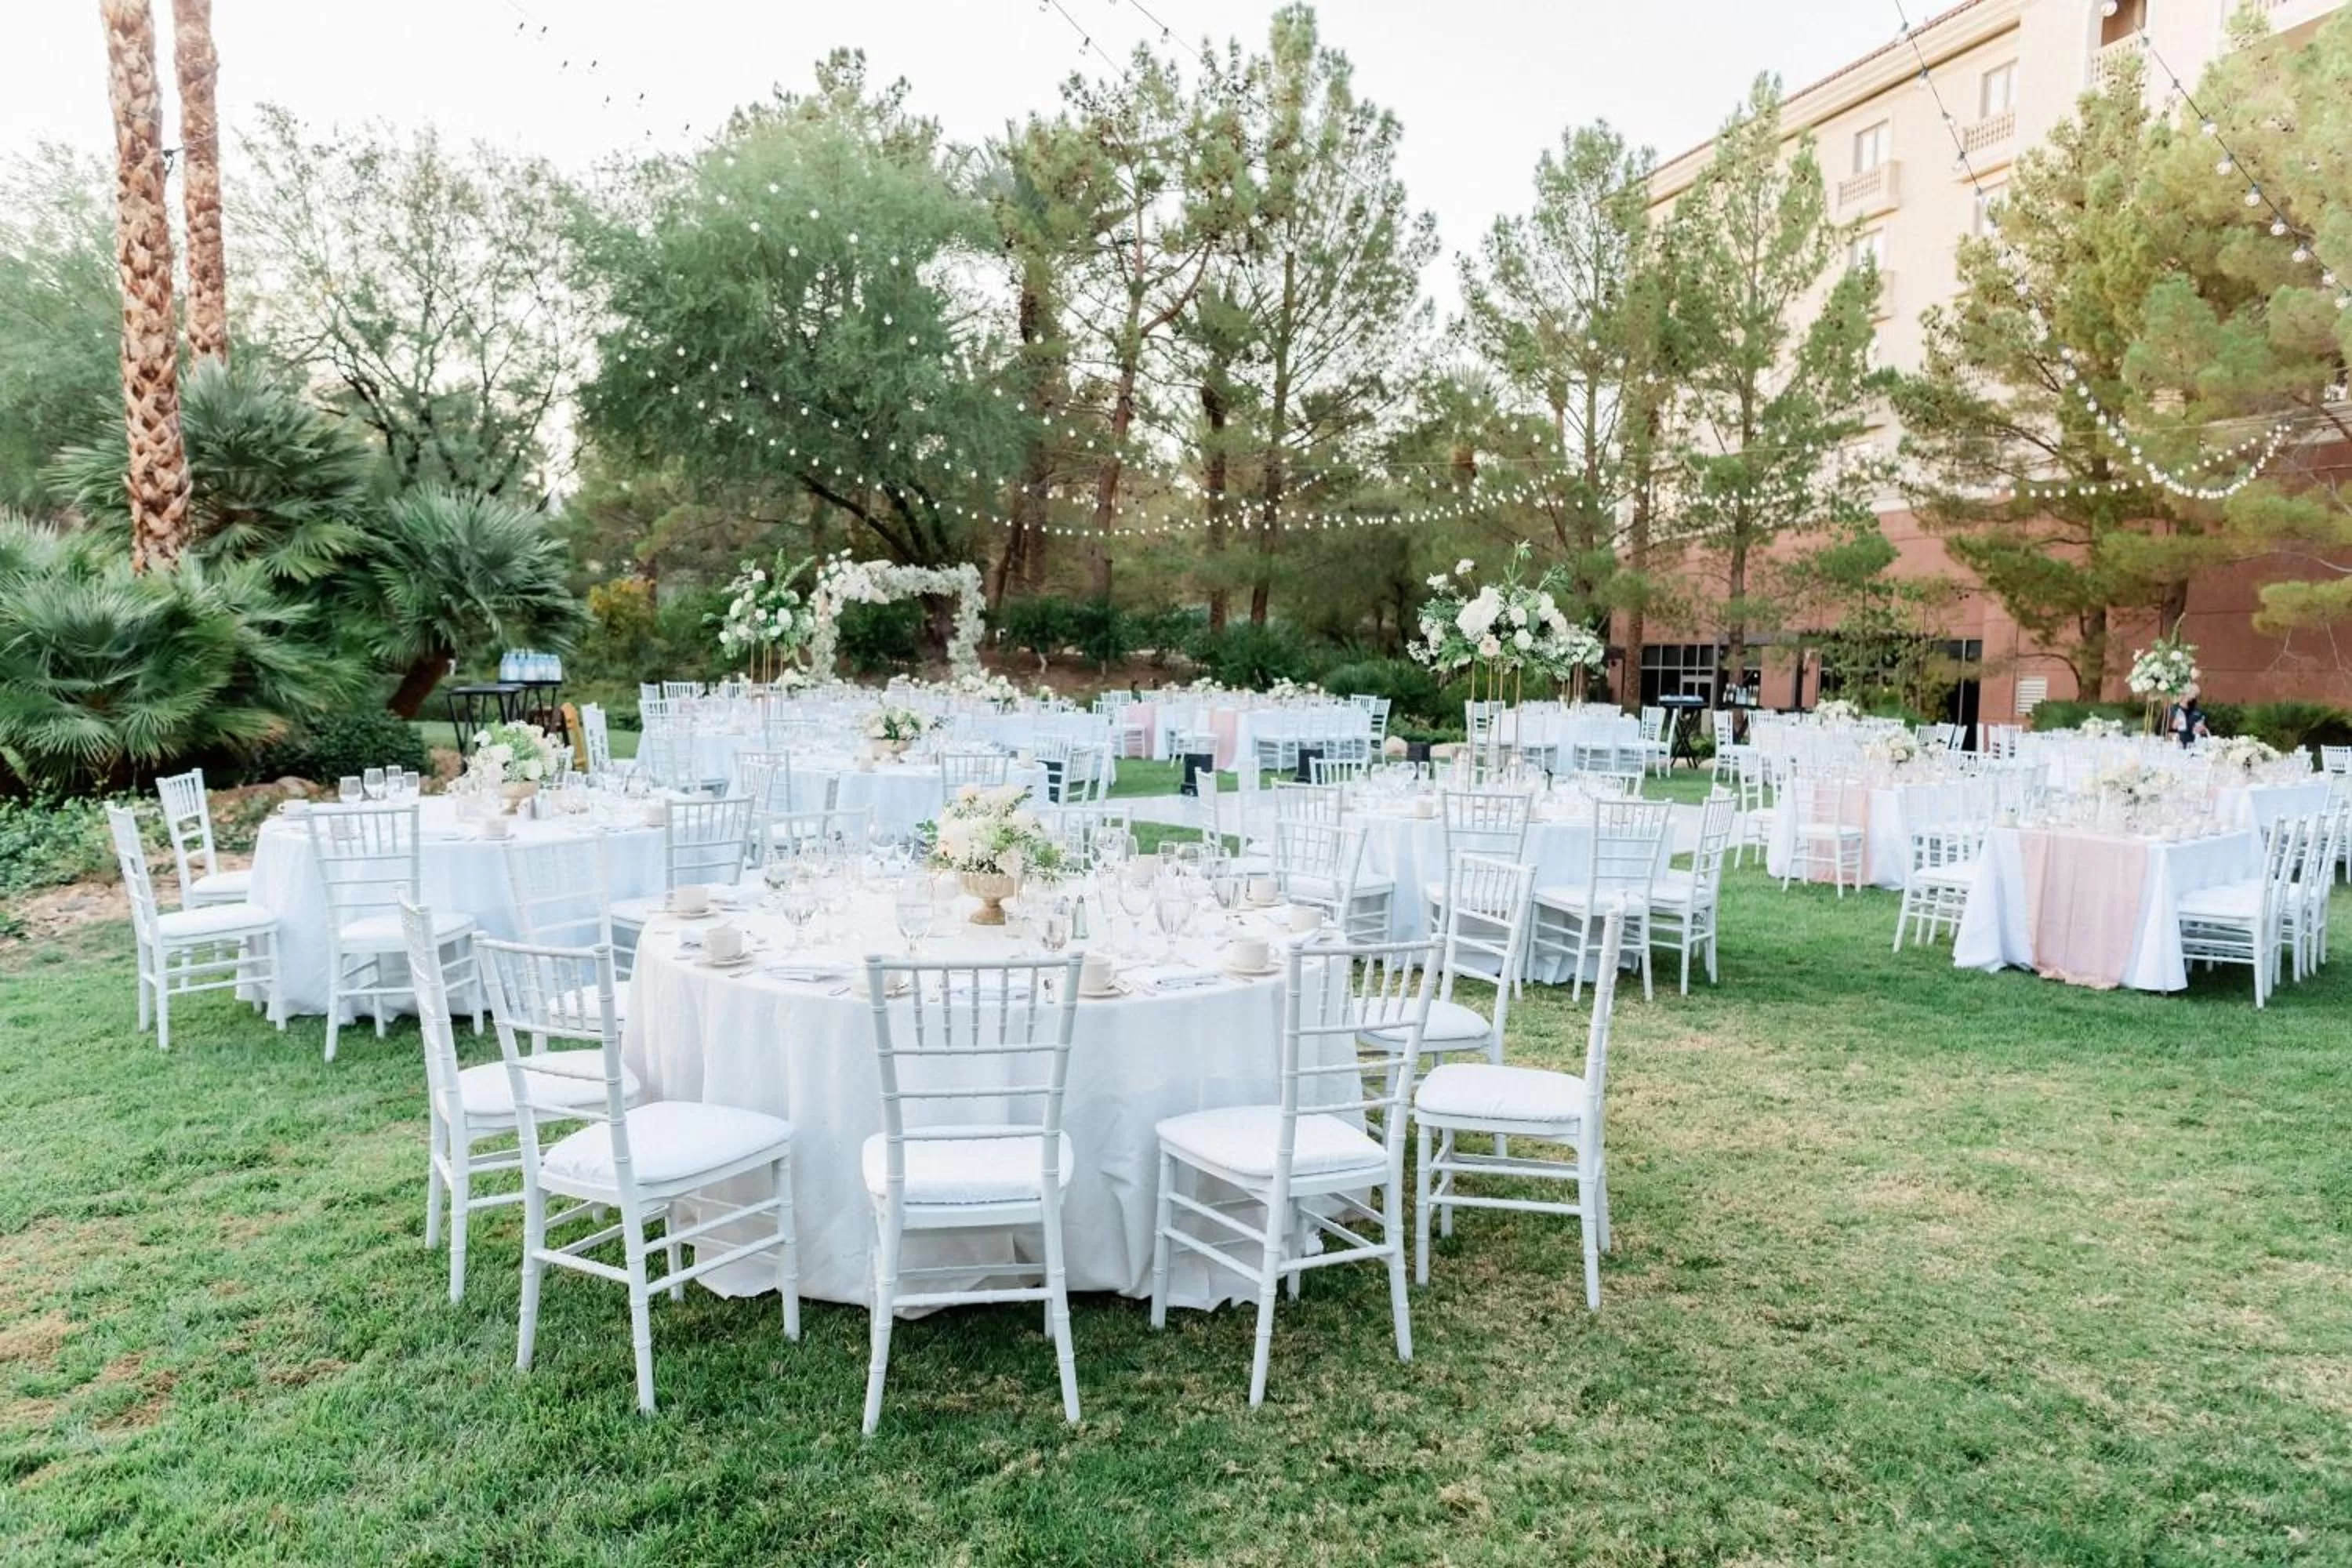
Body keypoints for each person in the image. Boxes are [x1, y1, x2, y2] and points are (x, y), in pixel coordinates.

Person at [2169, 683, 2209, 748]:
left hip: (2193, 749)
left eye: (2195, 695)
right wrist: (2172, 727)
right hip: (2174, 748)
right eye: (2188, 693)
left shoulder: (2200, 712)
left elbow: (2206, 735)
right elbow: (2159, 732)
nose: (2192, 697)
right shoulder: (2171, 710)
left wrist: (2203, 731)